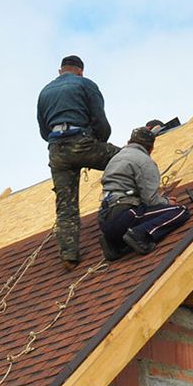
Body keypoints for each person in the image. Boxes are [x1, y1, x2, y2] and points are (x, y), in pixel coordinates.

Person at [37, 55, 120, 268]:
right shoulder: (85, 84)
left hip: (57, 151)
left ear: (60, 71)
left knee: (66, 206)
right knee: (125, 158)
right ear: (81, 71)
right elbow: (100, 121)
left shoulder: (45, 91)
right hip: (81, 142)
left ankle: (69, 255)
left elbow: (43, 130)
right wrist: (98, 143)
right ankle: (132, 205)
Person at [98, 122, 191, 260]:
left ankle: (114, 244)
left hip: (105, 220)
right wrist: (167, 202)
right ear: (151, 148)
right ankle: (140, 234)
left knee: (137, 213)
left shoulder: (115, 159)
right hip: (125, 214)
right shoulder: (145, 162)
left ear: (129, 141)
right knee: (180, 211)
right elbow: (151, 201)